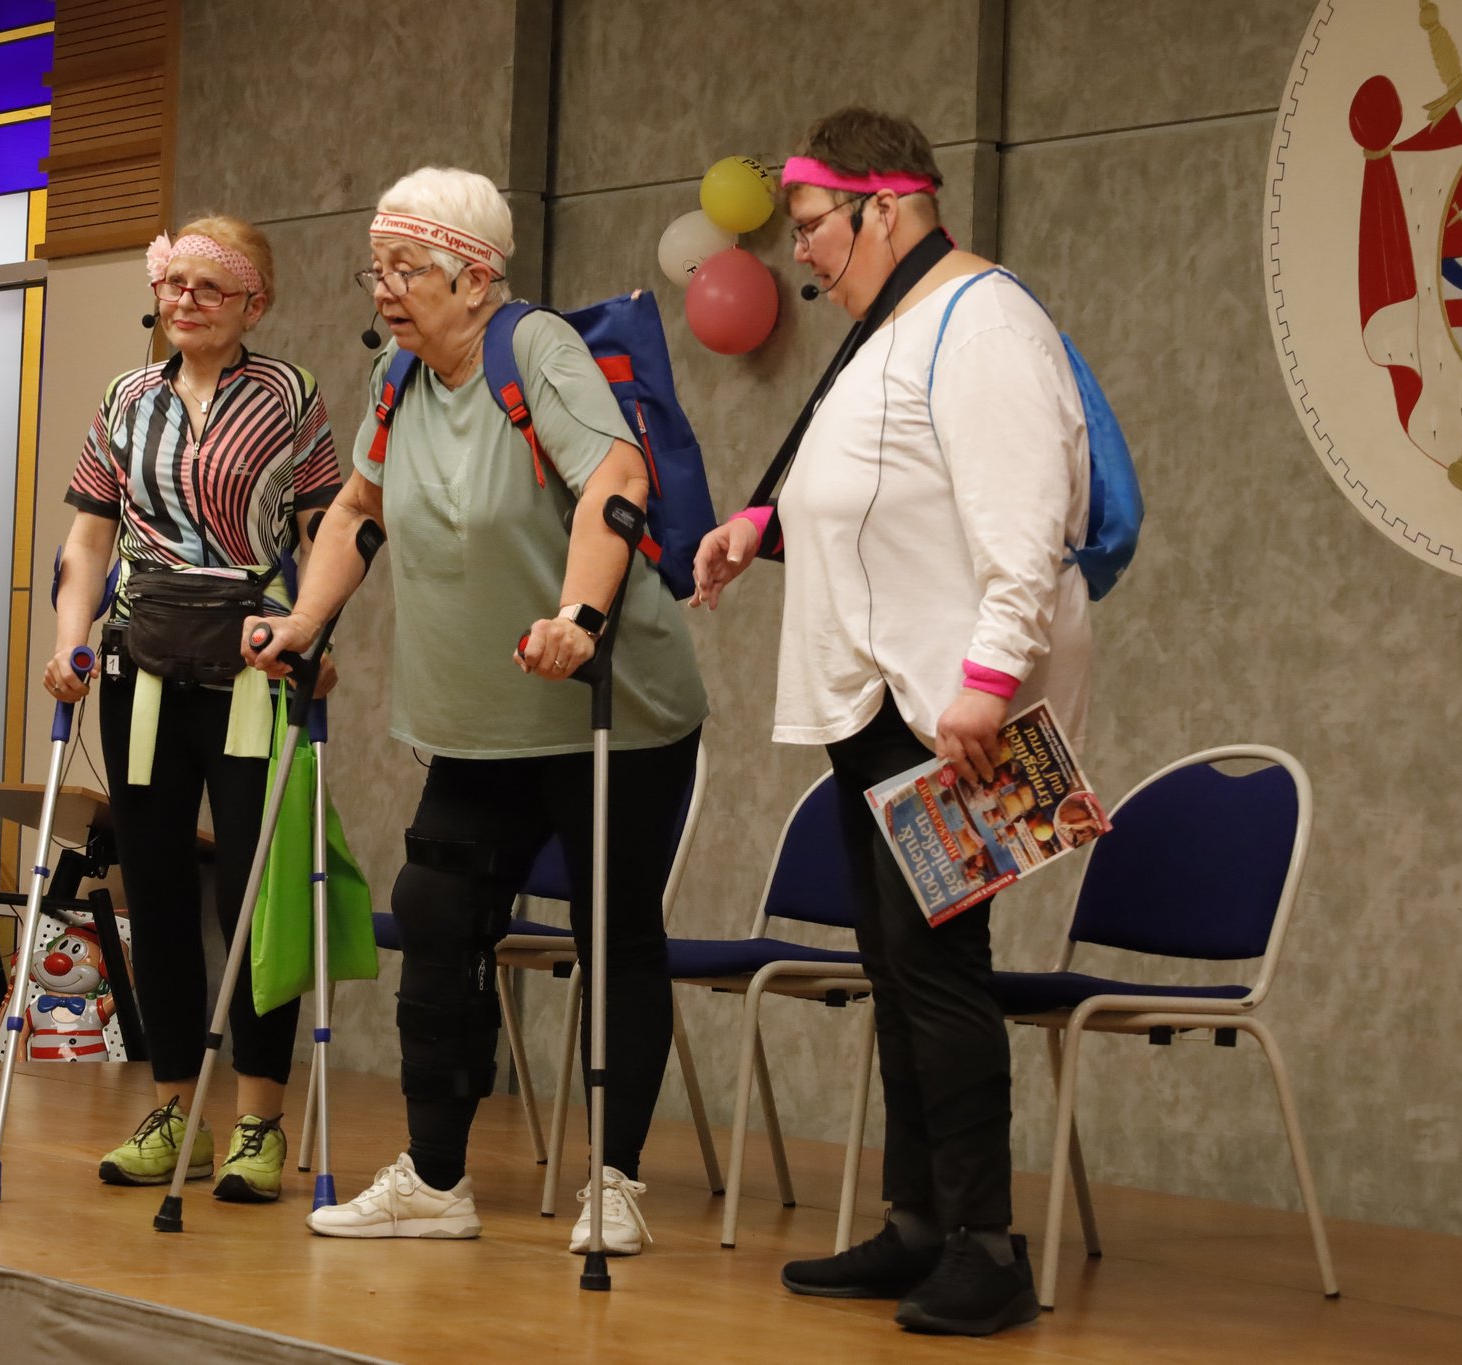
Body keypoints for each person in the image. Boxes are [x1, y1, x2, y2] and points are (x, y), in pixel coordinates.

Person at [245, 166, 707, 1254]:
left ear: (475, 278)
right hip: (476, 720)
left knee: (614, 934)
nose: (384, 289)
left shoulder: (535, 349)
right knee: (440, 919)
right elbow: (357, 507)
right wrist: (304, 622)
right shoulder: (398, 377)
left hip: (610, 709)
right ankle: (434, 1178)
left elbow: (615, 480)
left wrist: (579, 615)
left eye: (406, 269)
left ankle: (615, 1181)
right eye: (377, 269)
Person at [691, 107, 1092, 1336]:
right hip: (879, 701)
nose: (799, 251)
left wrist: (986, 680)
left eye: (812, 224)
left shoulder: (983, 321)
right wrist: (759, 525)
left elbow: (1024, 523)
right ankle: (919, 1223)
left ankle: (984, 1247)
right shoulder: (893, 328)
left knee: (939, 973)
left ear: (885, 206)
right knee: (895, 969)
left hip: (946, 707)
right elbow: (862, 477)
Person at [47, 215, 341, 1205]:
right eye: (174, 283)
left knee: (253, 893)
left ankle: (260, 1120)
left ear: (255, 302)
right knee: (157, 887)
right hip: (140, 664)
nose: (185, 301)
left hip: (254, 666)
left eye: (209, 288)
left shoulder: (288, 395)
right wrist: (69, 638)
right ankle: (175, 1109)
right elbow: (88, 539)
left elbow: (328, 529)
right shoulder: (125, 398)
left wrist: (311, 632)